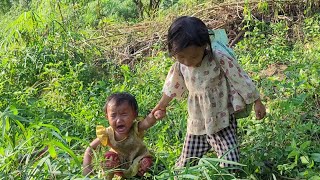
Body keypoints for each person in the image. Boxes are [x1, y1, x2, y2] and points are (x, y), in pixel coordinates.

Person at [151, 16, 266, 171]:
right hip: (197, 122)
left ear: (205, 45)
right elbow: (172, 88)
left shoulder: (217, 58)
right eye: (181, 56)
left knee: (231, 163)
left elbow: (239, 78)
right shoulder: (180, 67)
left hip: (222, 119)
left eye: (194, 56)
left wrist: (257, 101)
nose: (188, 61)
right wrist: (161, 106)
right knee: (185, 164)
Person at [83, 92, 165, 179]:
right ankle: (107, 178)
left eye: (124, 114)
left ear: (134, 115)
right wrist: (87, 168)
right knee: (109, 158)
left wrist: (155, 116)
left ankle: (140, 176)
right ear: (107, 117)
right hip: (119, 164)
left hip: (138, 160)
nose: (118, 120)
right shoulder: (107, 133)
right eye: (113, 115)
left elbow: (147, 122)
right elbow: (90, 148)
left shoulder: (136, 128)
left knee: (146, 163)